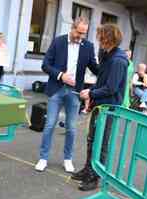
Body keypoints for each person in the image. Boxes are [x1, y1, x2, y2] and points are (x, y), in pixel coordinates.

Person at [35, 17, 99, 173]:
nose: (81, 36)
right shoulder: (58, 41)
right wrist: (60, 75)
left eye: (84, 34)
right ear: (73, 27)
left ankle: (67, 159)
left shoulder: (88, 46)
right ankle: (43, 158)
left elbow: (95, 68)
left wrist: (109, 69)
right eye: (79, 32)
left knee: (71, 128)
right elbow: (45, 65)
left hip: (74, 92)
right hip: (56, 89)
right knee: (49, 125)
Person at [72, 23, 128, 191]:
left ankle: (95, 177)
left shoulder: (118, 60)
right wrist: (92, 94)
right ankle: (88, 169)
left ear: (108, 38)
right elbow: (101, 81)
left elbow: (111, 88)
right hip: (101, 105)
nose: (98, 40)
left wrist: (90, 93)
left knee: (101, 142)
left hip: (109, 108)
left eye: (101, 37)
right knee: (92, 140)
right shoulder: (108, 55)